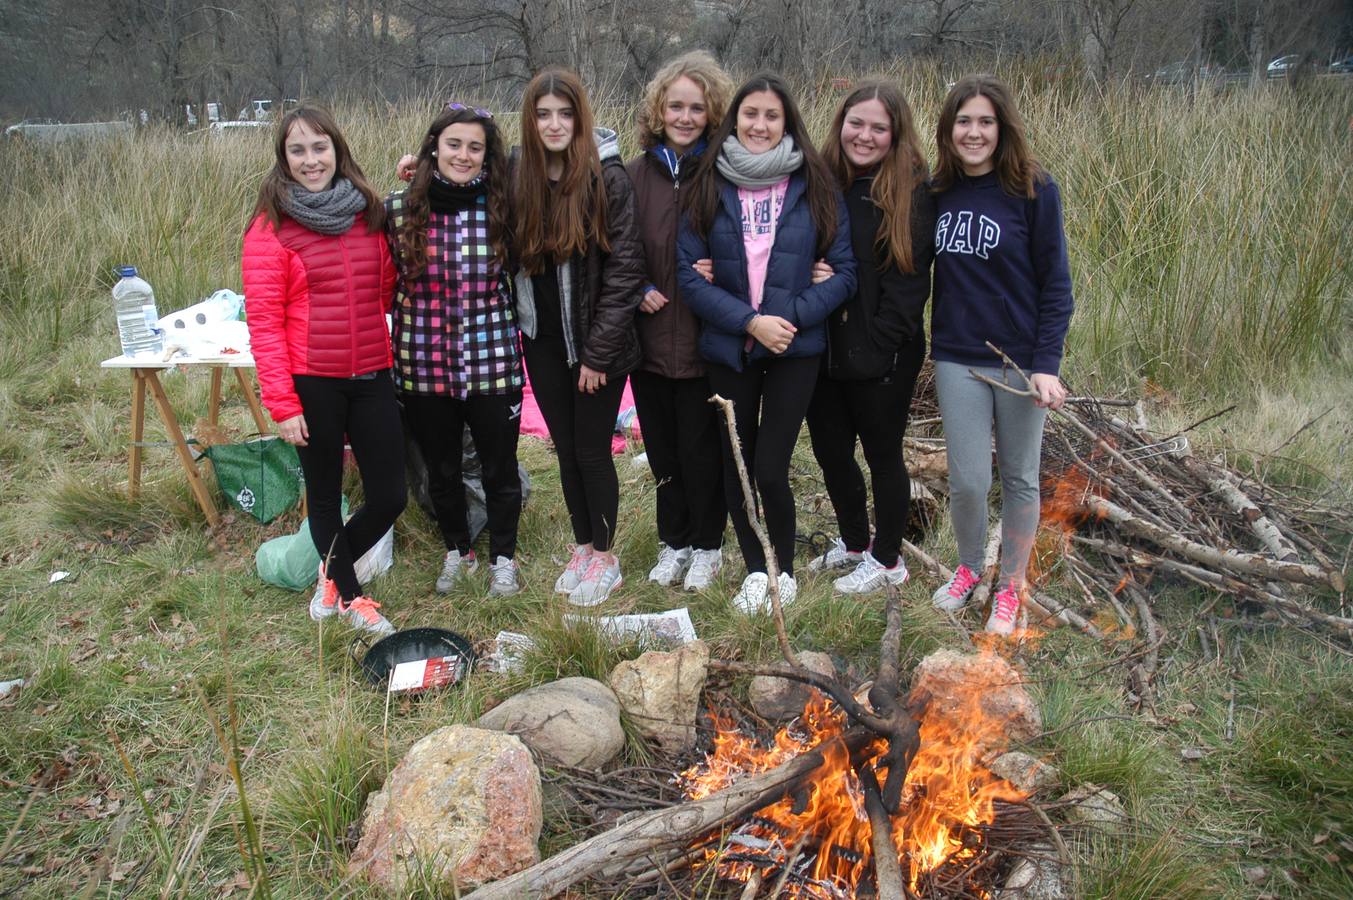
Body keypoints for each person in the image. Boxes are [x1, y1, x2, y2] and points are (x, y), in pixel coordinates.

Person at [677, 72, 857, 614]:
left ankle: (783, 570)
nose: (759, 124)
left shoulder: (814, 182)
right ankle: (756, 571)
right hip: (732, 346)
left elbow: (845, 272)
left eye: (771, 116)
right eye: (750, 114)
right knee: (739, 462)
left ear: (787, 122)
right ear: (735, 119)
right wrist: (750, 322)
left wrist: (788, 320)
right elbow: (687, 274)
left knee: (771, 466)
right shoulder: (710, 181)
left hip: (792, 351)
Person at [242, 105, 405, 636]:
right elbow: (264, 324)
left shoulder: (369, 214)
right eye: (298, 150)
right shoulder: (271, 229)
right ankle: (351, 600)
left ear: (337, 151)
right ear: (283, 159)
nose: (311, 160)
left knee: (389, 495)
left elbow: (385, 290)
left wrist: (413, 188)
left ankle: (330, 574)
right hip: (313, 382)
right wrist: (283, 406)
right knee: (325, 490)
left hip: (372, 373)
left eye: (319, 148)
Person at [927, 74, 1073, 636]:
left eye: (985, 121)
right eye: (964, 121)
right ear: (950, 128)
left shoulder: (1034, 190)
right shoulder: (939, 191)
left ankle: (1011, 585)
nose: (974, 131)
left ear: (1002, 127)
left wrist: (1046, 365)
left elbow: (1057, 286)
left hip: (1019, 361)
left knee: (1019, 478)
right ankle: (968, 568)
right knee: (966, 481)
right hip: (956, 355)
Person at [512, 68, 646, 606]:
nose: (554, 123)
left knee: (592, 452)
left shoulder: (606, 178)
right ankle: (584, 547)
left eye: (564, 113)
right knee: (566, 452)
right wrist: (418, 167)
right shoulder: (519, 173)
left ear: (580, 117)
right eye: (543, 114)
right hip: (542, 340)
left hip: (597, 346)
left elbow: (625, 272)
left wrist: (598, 353)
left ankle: (608, 558)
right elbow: (463, 178)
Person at [385, 103, 524, 598]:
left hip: (491, 363)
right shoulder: (397, 210)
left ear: (489, 157)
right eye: (453, 145)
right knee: (441, 470)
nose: (463, 155)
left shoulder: (504, 206)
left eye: (475, 147)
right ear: (434, 148)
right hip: (423, 366)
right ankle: (457, 551)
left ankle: (502, 559)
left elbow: (539, 162)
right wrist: (415, 171)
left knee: (499, 468)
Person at [803, 80, 936, 594]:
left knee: (882, 455)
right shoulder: (821, 182)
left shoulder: (913, 192)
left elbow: (908, 287)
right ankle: (854, 543)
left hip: (884, 353)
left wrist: (878, 347)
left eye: (878, 127)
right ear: (841, 125)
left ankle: (887, 560)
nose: (865, 135)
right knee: (831, 453)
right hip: (825, 349)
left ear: (895, 133)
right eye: (856, 123)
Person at [626, 51, 734, 593]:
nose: (685, 117)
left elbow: (750, 245)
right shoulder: (633, 174)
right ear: (658, 109)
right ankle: (675, 543)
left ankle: (710, 546)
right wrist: (638, 285)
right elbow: (615, 247)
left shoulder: (723, 172)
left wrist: (725, 268)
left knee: (700, 451)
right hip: (646, 341)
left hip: (702, 339)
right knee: (663, 451)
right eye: (675, 106)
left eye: (696, 108)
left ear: (711, 112)